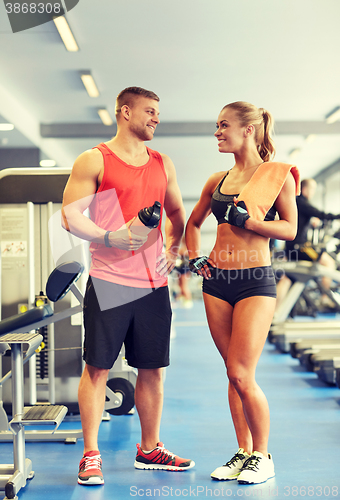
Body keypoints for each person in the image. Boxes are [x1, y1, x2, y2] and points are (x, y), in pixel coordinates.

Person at [61, 86, 194, 486]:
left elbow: (175, 212)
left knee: (152, 369)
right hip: (110, 282)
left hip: (154, 285)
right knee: (98, 367)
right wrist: (108, 237)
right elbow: (70, 215)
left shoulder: (161, 162)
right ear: (124, 112)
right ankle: (90, 455)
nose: (156, 118)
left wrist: (173, 247)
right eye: (149, 111)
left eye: (158, 112)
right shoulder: (94, 159)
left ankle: (150, 448)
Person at [185, 101, 299, 485]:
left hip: (254, 281)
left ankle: (263, 455)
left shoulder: (277, 175)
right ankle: (243, 451)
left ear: (248, 129)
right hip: (216, 282)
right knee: (232, 375)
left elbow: (290, 230)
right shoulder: (216, 179)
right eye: (216, 126)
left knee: (241, 372)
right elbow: (194, 221)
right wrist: (194, 258)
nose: (217, 132)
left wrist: (248, 220)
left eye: (223, 125)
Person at [276, 178, 340, 310]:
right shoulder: (302, 202)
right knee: (329, 262)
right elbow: (322, 214)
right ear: (306, 189)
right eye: (313, 190)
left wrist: (311, 222)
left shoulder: (294, 203)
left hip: (291, 248)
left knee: (287, 278)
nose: (313, 193)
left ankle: (273, 313)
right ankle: (324, 298)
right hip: (301, 248)